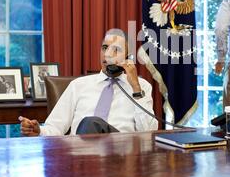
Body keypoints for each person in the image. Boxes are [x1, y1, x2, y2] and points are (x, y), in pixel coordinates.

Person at [20, 29, 158, 136]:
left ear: (128, 57)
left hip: (121, 155)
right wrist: (39, 131)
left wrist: (135, 88)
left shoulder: (140, 86)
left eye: (116, 49)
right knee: (90, 123)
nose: (108, 54)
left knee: (91, 122)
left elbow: (149, 131)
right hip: (79, 153)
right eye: (105, 48)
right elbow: (55, 127)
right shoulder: (78, 85)